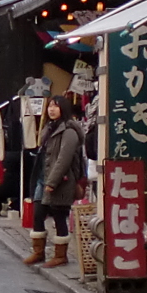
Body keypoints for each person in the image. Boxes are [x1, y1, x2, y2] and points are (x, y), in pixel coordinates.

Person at [28, 94, 85, 270]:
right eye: (50, 106)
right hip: (42, 178)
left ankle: (61, 255)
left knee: (59, 215)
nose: (51, 109)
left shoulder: (69, 131)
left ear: (64, 109)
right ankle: (38, 251)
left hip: (61, 181)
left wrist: (52, 182)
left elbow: (63, 159)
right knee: (38, 213)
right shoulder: (49, 127)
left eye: (56, 106)